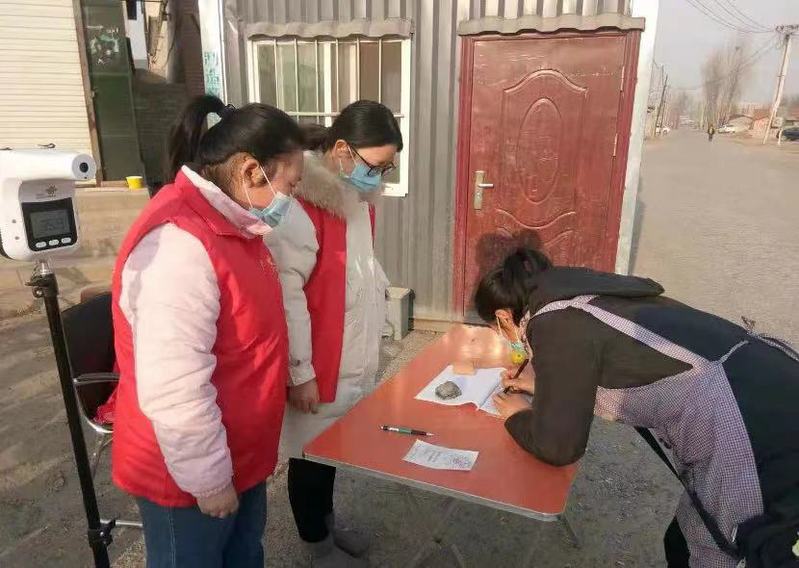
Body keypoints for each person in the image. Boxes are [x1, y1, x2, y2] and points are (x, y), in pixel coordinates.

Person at [474, 248, 799, 568]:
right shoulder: (582, 293)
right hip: (769, 379)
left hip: (748, 425)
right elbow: (621, 360)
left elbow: (558, 445)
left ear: (503, 318)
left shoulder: (553, 323)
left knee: (723, 546)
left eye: (497, 332)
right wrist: (550, 384)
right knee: (683, 539)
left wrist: (518, 414)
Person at [111, 95, 304, 567]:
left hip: (238, 452)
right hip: (190, 471)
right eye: (291, 184)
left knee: (243, 555)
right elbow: (174, 383)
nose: (293, 198)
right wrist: (209, 478)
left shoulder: (235, 223)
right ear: (251, 171)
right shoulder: (179, 243)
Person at [265, 100, 402, 566]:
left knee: (331, 452)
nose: (377, 178)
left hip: (347, 356)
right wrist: (300, 372)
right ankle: (316, 546)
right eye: (375, 166)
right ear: (342, 150)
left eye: (385, 169)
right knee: (308, 458)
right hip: (317, 362)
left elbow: (361, 278)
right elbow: (288, 298)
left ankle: (326, 522)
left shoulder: (356, 202)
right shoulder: (300, 208)